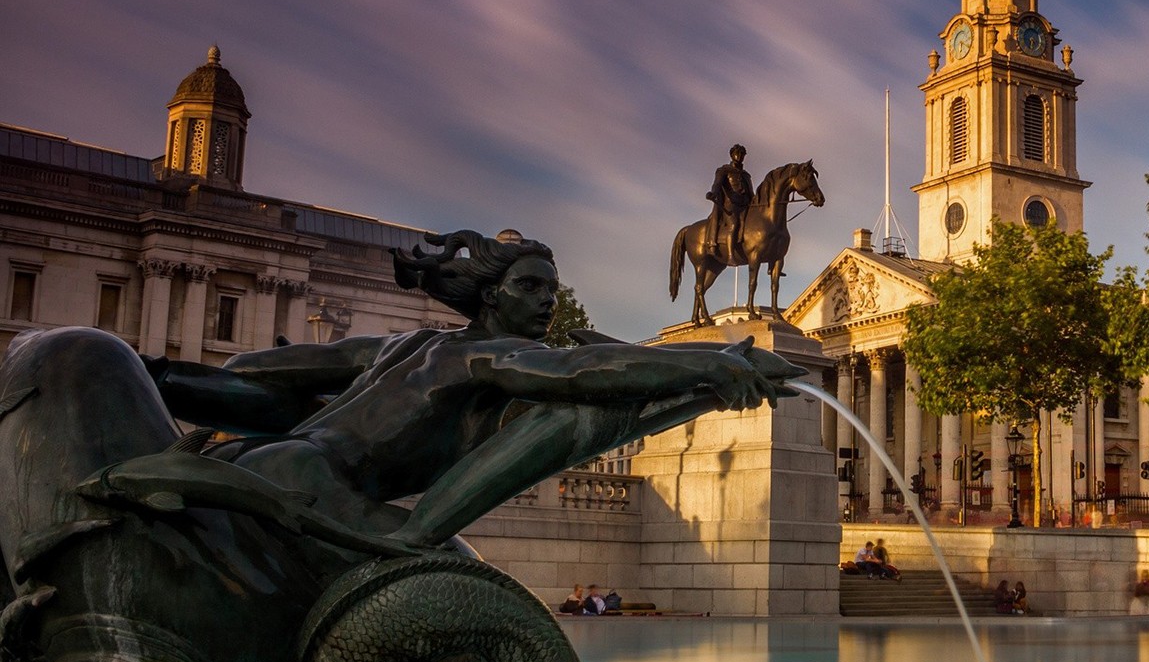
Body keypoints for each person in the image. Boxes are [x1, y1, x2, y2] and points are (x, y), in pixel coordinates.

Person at [136, 229, 801, 550]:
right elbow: (582, 377)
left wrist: (160, 379)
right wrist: (713, 363)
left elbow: (259, 377)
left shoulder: (400, 347)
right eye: (530, 288)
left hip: (263, 465)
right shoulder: (489, 358)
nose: (546, 304)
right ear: (490, 294)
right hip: (320, 497)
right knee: (455, 576)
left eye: (549, 288)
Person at [705, 144, 752, 262]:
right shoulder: (724, 170)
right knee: (734, 224)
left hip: (745, 204)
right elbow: (717, 184)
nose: (740, 156)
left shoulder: (746, 175)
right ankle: (731, 256)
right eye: (737, 153)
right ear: (732, 155)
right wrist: (713, 193)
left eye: (742, 154)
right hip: (730, 205)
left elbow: (750, 192)